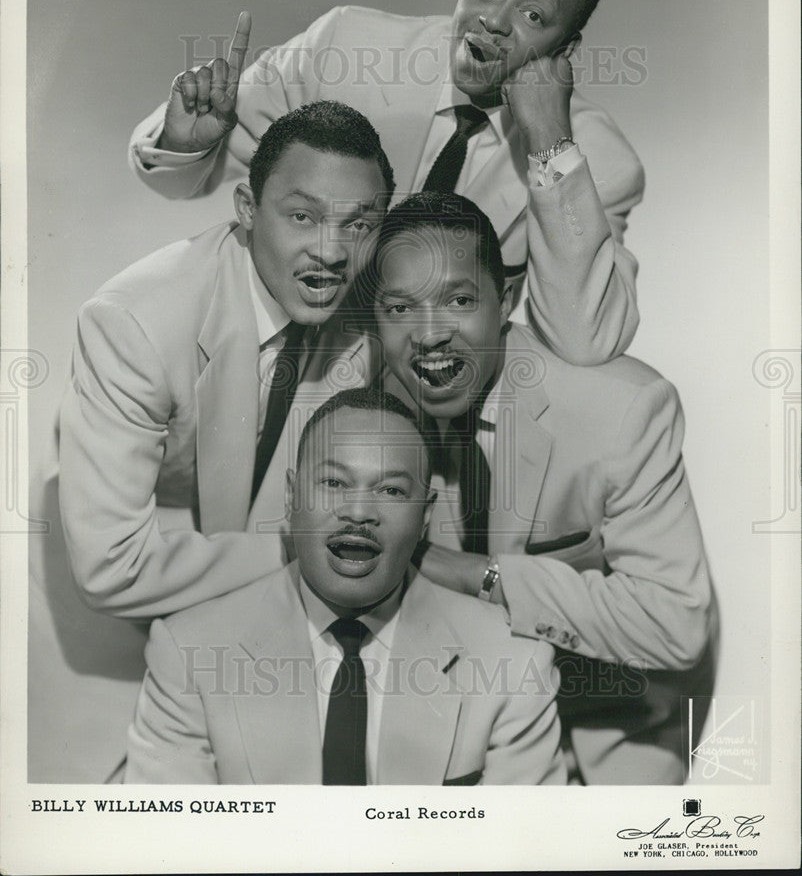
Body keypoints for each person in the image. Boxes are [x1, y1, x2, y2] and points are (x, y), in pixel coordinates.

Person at [129, 0, 644, 365]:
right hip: (281, 354)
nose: (493, 20)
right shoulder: (347, 47)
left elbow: (584, 340)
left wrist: (549, 144)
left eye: (534, 15)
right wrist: (188, 140)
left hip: (428, 394)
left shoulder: (595, 159)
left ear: (567, 49)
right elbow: (186, 181)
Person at [369, 191, 716, 784]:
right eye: (400, 309)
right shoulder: (370, 415)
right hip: (480, 706)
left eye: (457, 300)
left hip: (624, 705)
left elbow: (676, 626)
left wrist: (474, 574)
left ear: (506, 300)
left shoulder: (623, 410)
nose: (428, 336)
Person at [124, 389, 565, 785]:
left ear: (426, 514)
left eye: (391, 490)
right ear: (293, 495)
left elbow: (517, 853)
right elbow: (172, 850)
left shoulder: (513, 662)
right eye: (334, 483)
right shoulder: (188, 653)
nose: (358, 512)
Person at [59, 100, 392, 621]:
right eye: (303, 216)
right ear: (247, 207)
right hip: (139, 565)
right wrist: (302, 550)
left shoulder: (378, 314)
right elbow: (110, 568)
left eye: (358, 225)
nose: (330, 252)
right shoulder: (133, 324)